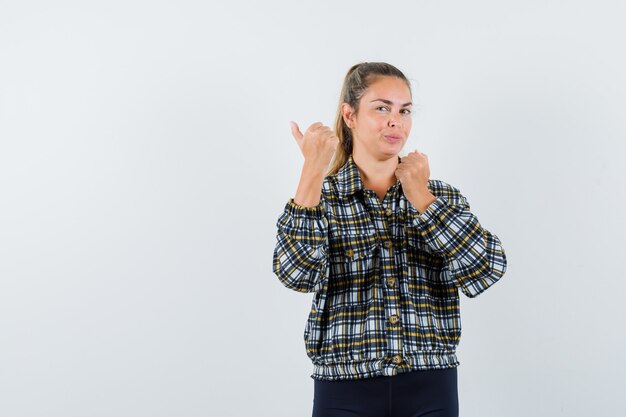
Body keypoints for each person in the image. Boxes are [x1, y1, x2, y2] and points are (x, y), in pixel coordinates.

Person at [272, 62, 507, 417]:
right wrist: (312, 171)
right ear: (349, 115)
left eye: (404, 110)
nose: (395, 120)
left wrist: (424, 201)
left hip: (432, 385)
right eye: (382, 108)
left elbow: (486, 271)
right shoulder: (323, 197)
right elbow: (296, 275)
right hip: (344, 387)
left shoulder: (439, 197)